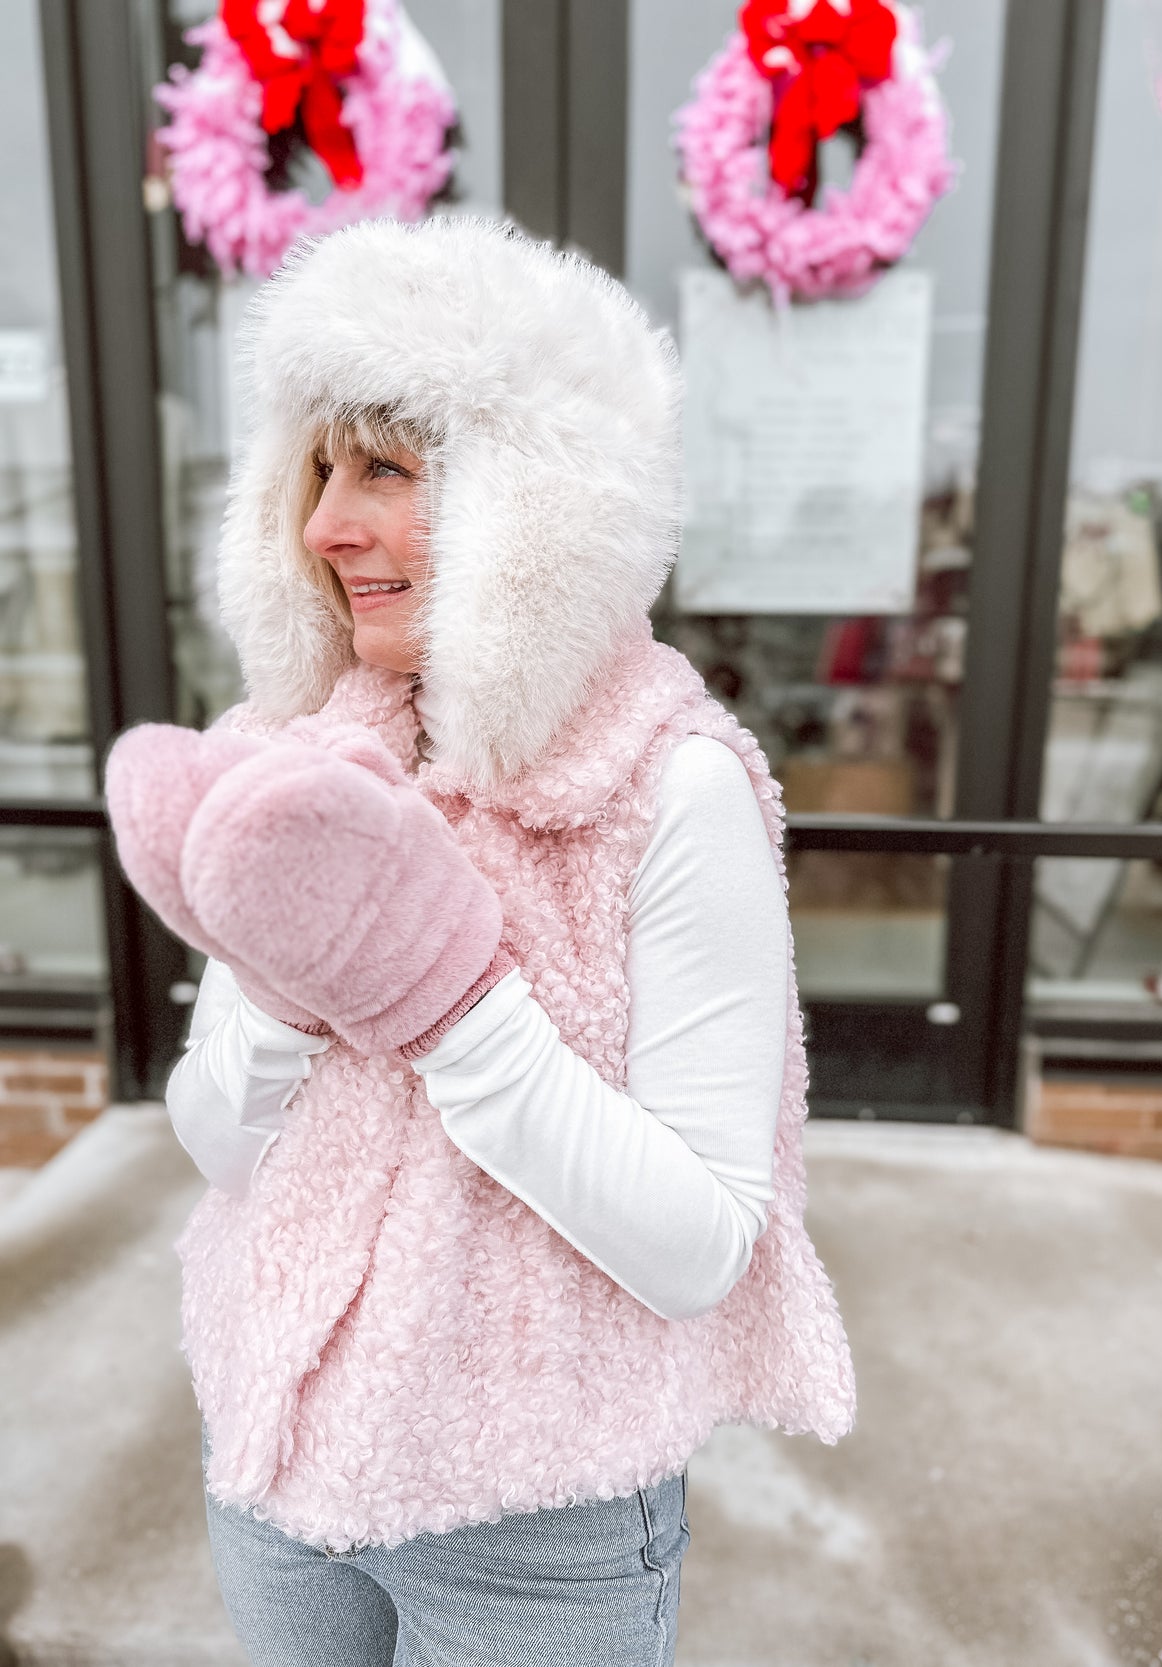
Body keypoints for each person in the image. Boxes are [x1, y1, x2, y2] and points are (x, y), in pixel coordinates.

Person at [103, 215, 856, 1667]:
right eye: (319, 470)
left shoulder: (668, 785)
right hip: (271, 1467)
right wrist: (278, 982)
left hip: (536, 1531)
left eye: (384, 468)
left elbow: (703, 1243)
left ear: (538, 502)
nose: (327, 525)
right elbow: (212, 1143)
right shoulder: (296, 758)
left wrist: (446, 1002)